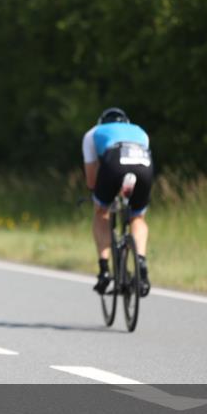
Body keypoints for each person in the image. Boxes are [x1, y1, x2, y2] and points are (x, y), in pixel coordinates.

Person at [82, 107, 153, 297]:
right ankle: (141, 261)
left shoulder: (92, 134)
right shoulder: (140, 131)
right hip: (143, 166)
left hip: (114, 161)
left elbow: (91, 180)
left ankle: (104, 269)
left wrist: (97, 194)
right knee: (137, 217)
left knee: (101, 211)